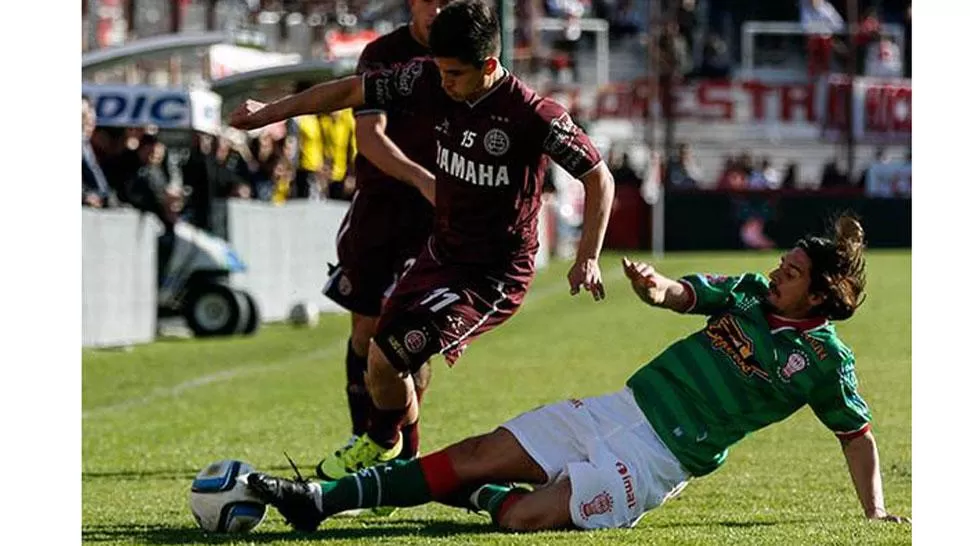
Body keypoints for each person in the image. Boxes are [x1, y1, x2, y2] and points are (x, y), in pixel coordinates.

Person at [244, 214, 911, 532]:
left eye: (791, 273)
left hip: (656, 462)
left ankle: (482, 493)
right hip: (615, 410)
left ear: (821, 296)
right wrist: (655, 289)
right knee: (475, 452)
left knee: (519, 520)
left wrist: (874, 510)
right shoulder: (745, 292)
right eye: (782, 264)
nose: (776, 274)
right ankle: (322, 501)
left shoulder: (826, 364)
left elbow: (856, 436)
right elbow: (684, 295)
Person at [230, 0, 614, 480]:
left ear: (489, 66)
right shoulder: (425, 78)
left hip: (493, 274)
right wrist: (270, 112)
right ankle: (393, 454)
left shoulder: (533, 114)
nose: (445, 83)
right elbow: (351, 89)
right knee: (379, 354)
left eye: (454, 74)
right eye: (440, 70)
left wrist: (588, 257)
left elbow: (599, 177)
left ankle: (382, 447)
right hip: (441, 253)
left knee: (393, 354)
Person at [318, 0, 447, 482]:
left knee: (408, 342)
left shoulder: (470, 52)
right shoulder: (381, 55)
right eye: (429, 0)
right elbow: (370, 138)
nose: (438, 9)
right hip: (378, 213)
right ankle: (364, 439)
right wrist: (421, 178)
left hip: (437, 220)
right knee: (365, 332)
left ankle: (404, 451)